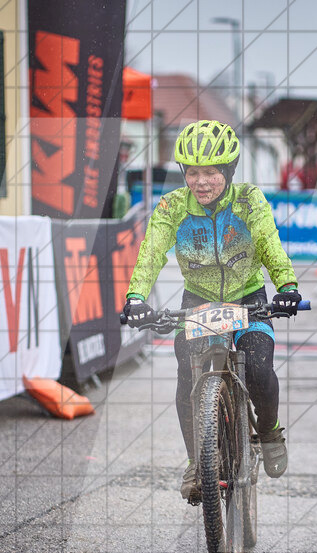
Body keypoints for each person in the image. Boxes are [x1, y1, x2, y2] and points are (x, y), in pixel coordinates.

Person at [122, 119, 302, 504]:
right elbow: (150, 253)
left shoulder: (249, 200)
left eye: (211, 173)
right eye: (192, 173)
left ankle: (269, 431)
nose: (201, 182)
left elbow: (270, 244)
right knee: (186, 373)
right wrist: (136, 297)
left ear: (229, 171)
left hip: (249, 296)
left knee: (258, 368)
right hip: (199, 300)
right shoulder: (172, 206)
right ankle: (196, 461)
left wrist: (287, 286)